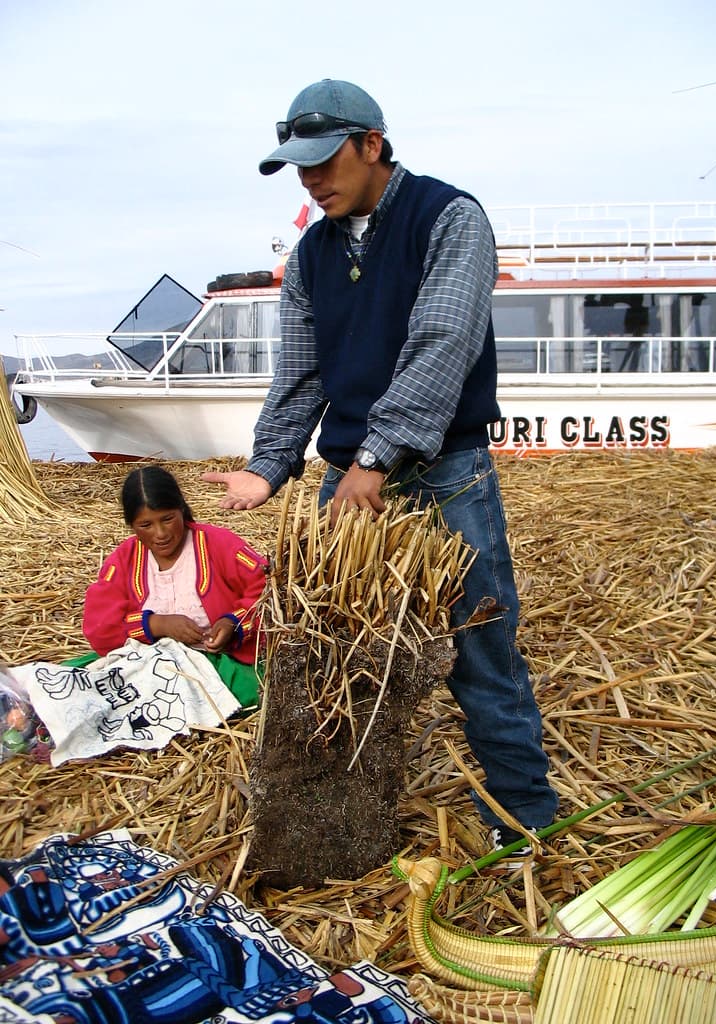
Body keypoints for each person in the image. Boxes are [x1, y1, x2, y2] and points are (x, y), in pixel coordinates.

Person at [202, 79, 558, 850]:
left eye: (323, 160)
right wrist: (269, 464)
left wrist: (377, 455)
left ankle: (525, 819)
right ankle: (338, 827)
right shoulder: (311, 254)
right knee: (330, 656)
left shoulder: (448, 218)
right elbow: (300, 372)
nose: (310, 179)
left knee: (480, 649)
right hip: (347, 481)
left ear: (372, 144)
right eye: (298, 167)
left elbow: (442, 342)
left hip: (442, 473)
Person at [82, 466, 268, 707]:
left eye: (167, 519)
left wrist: (233, 623)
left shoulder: (220, 545)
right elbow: (99, 626)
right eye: (145, 525)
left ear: (181, 509)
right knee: (77, 683)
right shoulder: (123, 560)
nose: (160, 533)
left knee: (252, 690)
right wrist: (156, 624)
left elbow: (266, 589)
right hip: (148, 664)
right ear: (132, 525)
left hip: (216, 664)